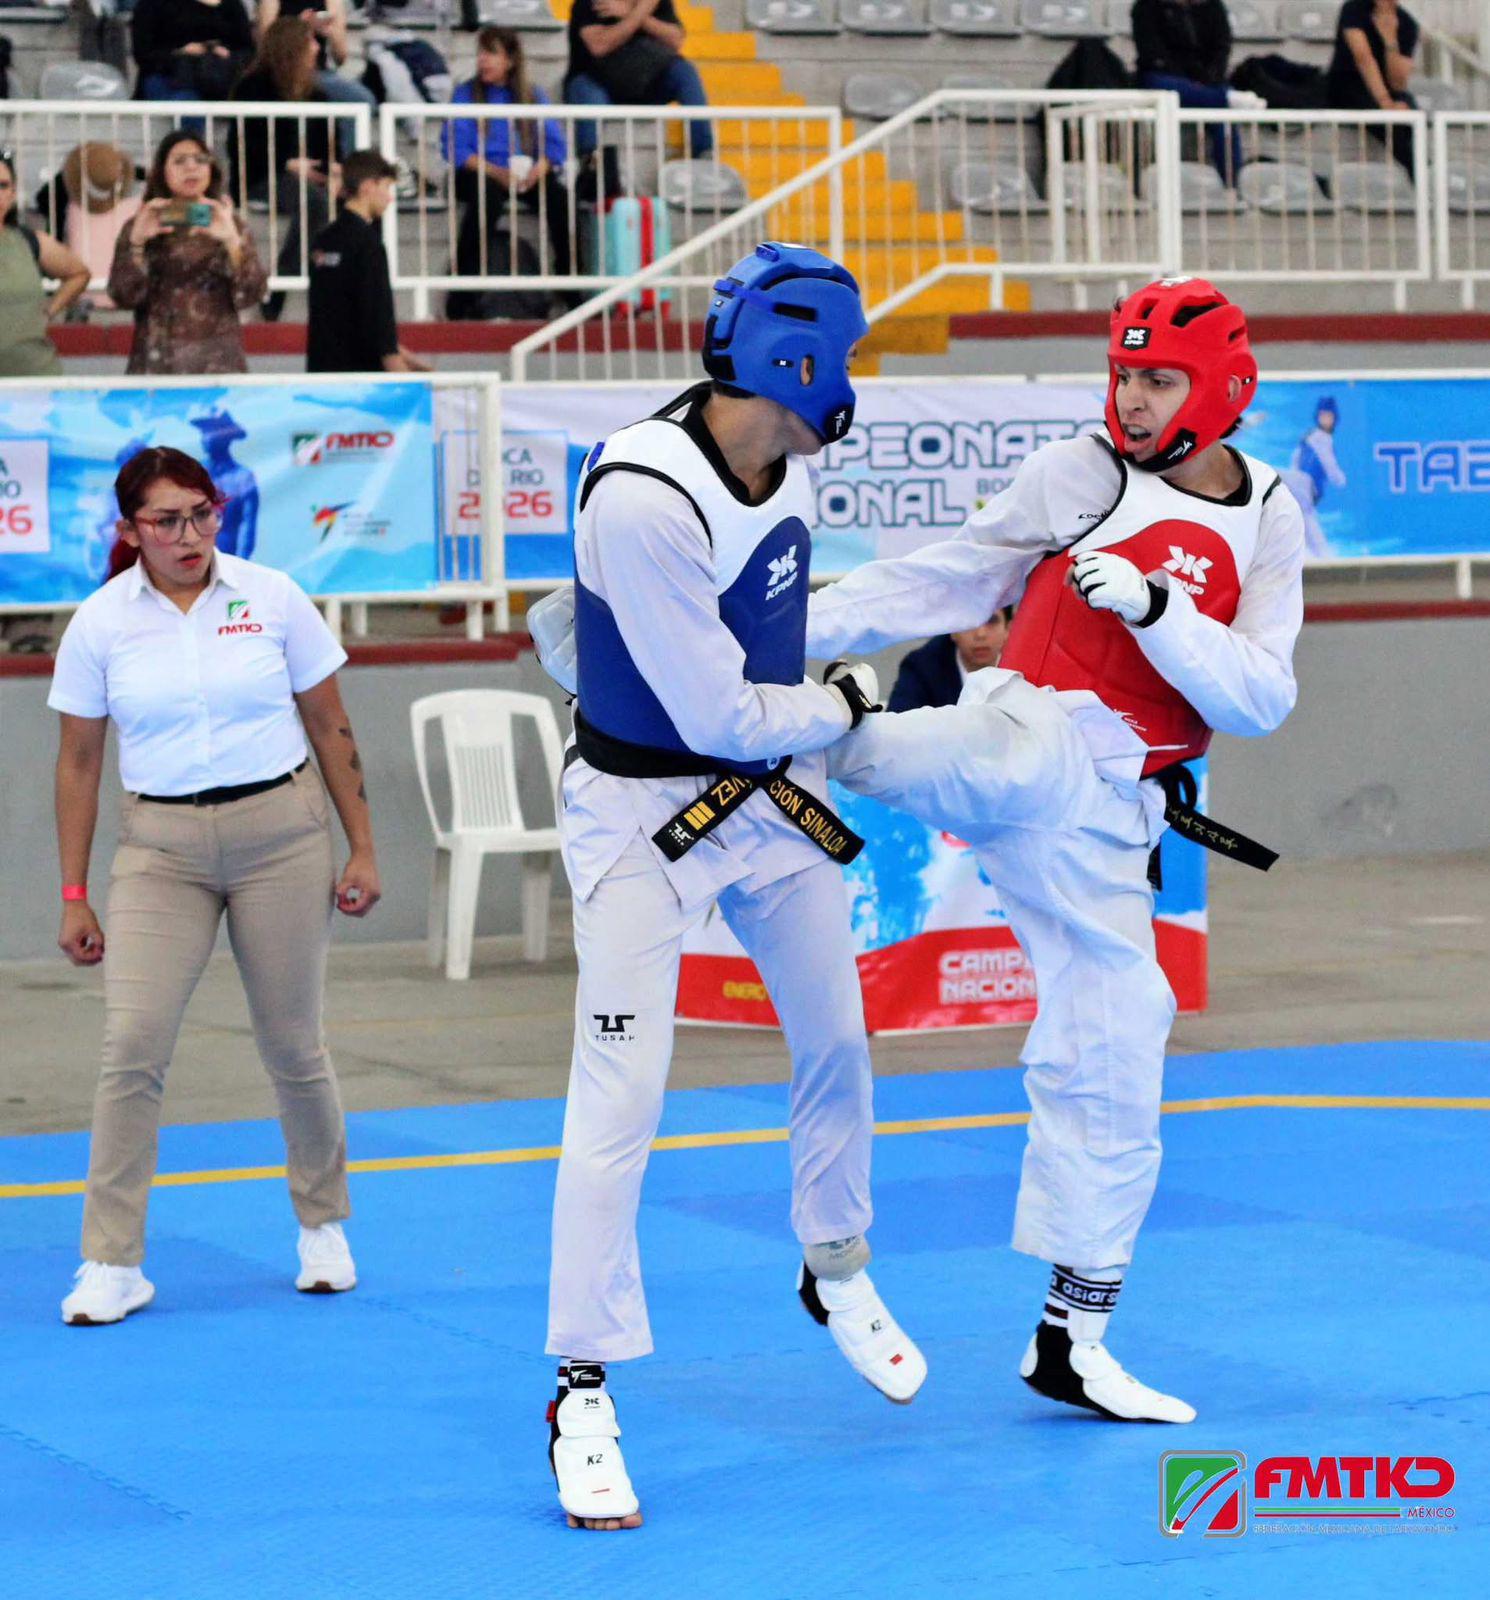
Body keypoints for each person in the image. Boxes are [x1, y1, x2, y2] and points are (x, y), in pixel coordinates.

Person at [803, 276, 1305, 1423]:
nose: (1130, 398)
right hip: (1034, 731)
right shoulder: (1080, 472)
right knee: (950, 747)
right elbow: (941, 576)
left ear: (1221, 385)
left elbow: (1261, 697)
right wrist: (783, 624)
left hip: (1112, 818)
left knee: (1118, 1042)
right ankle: (740, 694)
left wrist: (1155, 610)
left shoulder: (1267, 513)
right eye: (1122, 372)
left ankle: (1069, 1338)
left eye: (1157, 378)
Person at [530, 242, 925, 1531]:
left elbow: (768, 627)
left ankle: (834, 1262)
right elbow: (710, 704)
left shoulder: (779, 467)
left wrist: (902, 634)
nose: (849, 391)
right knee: (621, 1092)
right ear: (793, 367)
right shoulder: (642, 494)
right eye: (842, 365)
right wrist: (861, 699)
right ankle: (582, 1388)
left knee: (837, 1042)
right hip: (643, 818)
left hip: (762, 808)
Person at [48, 445, 381, 1327]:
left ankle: (323, 1226)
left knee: (293, 1045)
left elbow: (332, 724)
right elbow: (79, 762)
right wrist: (75, 892)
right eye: (166, 520)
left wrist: (363, 849)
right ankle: (111, 1260)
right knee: (133, 1047)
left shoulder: (272, 597)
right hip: (159, 847)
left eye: (202, 512)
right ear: (130, 531)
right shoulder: (100, 623)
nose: (188, 534)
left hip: (283, 834)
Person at [441, 26, 578, 319]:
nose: (482, 60)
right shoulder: (465, 93)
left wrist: (538, 170)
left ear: (511, 60)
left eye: (491, 53)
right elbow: (456, 148)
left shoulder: (532, 95)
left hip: (522, 173)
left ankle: (572, 289)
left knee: (560, 199)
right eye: (480, 53)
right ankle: (463, 294)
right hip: (477, 171)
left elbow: (554, 146)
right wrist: (497, 173)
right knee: (486, 197)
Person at [108, 131, 268, 375]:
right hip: (158, 363)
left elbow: (252, 294)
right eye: (179, 161)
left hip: (218, 366)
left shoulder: (230, 224)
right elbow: (123, 295)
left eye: (200, 160)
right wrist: (137, 242)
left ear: (210, 169)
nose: (191, 167)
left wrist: (232, 242)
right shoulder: (141, 223)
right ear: (162, 171)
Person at [231, 14, 337, 321]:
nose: (317, 48)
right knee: (314, 202)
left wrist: (335, 172)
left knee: (360, 202)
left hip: (310, 175)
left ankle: (343, 289)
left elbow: (331, 146)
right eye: (311, 41)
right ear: (292, 47)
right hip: (264, 174)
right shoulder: (253, 87)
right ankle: (278, 287)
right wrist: (287, 163)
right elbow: (243, 145)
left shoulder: (318, 95)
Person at [307, 148, 429, 373]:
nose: (390, 197)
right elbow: (378, 325)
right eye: (387, 187)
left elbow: (347, 320)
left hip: (321, 373)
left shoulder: (322, 241)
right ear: (368, 187)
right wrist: (410, 383)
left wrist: (413, 362)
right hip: (363, 383)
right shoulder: (368, 244)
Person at [1131, 0, 1264, 181]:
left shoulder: (1212, 7)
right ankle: (1223, 97)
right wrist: (1189, 80)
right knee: (1165, 87)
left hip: (1204, 81)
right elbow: (1153, 55)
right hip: (1165, 78)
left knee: (1223, 117)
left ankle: (1233, 183)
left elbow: (1221, 49)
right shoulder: (1146, 7)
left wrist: (1206, 78)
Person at [565, 0, 713, 162]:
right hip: (599, 83)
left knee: (684, 71)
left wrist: (633, 14)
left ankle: (704, 155)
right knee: (585, 91)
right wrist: (640, 13)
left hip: (647, 84)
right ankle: (590, 163)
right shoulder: (591, 4)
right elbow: (600, 45)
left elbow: (676, 40)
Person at [0, 149, 90, 378]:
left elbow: (79, 274)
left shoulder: (29, 241)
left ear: (12, 195)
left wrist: (50, 310)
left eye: (2, 186)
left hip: (33, 382)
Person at [254, 0, 377, 150]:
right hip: (282, 70)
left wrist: (332, 31)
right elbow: (265, 43)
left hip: (318, 71)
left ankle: (348, 163)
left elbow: (340, 58)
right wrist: (300, 26)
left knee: (361, 99)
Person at [1326, 0, 1418, 171]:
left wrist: (1390, 40)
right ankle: (1420, 173)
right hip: (1346, 84)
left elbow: (1398, 83)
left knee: (1410, 111)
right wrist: (1385, 103)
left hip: (1386, 88)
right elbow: (1363, 59)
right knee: (1392, 124)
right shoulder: (1353, 9)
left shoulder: (1407, 24)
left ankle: (1424, 171)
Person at [887, 607, 1013, 713]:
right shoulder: (923, 667)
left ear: (1008, 628)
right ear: (952, 630)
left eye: (991, 620)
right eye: (969, 622)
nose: (980, 634)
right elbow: (897, 728)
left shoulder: (1026, 667)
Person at [131, 0, 254, 103]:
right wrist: (181, 53)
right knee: (188, 105)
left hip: (221, 76)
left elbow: (248, 50)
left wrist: (227, 54)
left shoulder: (231, 4)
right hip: (168, 76)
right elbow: (143, 54)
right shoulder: (152, 4)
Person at [1280, 395, 1346, 558]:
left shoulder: (1311, 436)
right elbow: (1328, 463)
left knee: (1300, 525)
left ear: (1334, 418)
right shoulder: (1320, 438)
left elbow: (1296, 458)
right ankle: (1324, 558)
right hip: (1302, 485)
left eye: (1329, 416)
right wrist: (1340, 479)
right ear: (1318, 416)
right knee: (1309, 527)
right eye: (1323, 415)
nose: (1325, 419)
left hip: (1301, 486)